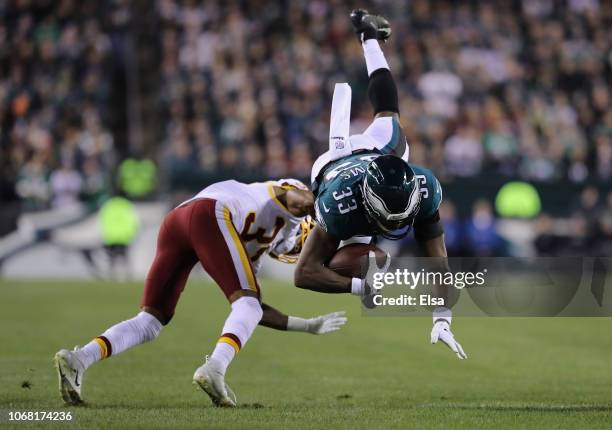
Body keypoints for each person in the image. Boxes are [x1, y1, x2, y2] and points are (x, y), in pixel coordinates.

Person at [54, 178, 347, 407]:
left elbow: (252, 310)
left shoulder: (257, 243)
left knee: (151, 321)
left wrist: (307, 325)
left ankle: (80, 359)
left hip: (178, 220)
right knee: (246, 302)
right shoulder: (293, 209)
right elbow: (298, 197)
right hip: (211, 214)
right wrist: (326, 211)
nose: (297, 250)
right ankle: (215, 368)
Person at [295, 10, 466, 359]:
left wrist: (442, 318)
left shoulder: (423, 185)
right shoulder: (339, 204)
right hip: (333, 168)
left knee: (389, 112)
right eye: (389, 218)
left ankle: (369, 37)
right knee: (359, 258)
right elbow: (304, 274)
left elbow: (440, 264)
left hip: (378, 151)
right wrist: (358, 287)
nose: (397, 225)